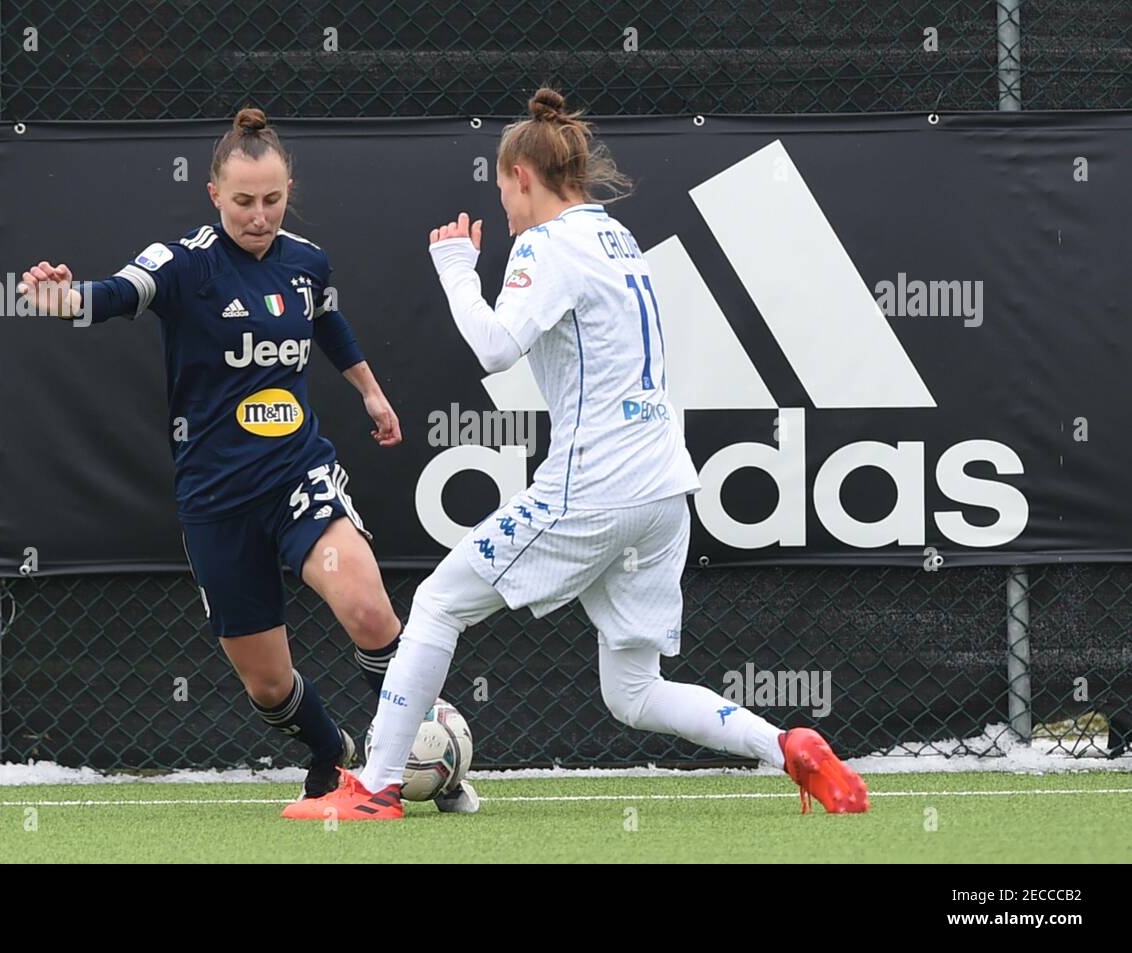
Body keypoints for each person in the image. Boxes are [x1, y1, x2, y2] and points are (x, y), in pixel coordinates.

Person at [284, 89, 870, 820]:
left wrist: (456, 268)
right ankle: (787, 745)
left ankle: (373, 788)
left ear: (523, 175)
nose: (503, 208)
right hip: (663, 493)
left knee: (436, 603)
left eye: (502, 189)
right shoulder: (616, 237)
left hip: (595, 487)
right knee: (635, 692)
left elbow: (497, 347)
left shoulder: (547, 243)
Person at [19, 108, 479, 809]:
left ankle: (414, 763)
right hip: (216, 497)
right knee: (268, 686)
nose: (259, 215)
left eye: (272, 199)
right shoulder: (182, 263)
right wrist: (63, 298)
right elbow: (115, 294)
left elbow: (328, 322)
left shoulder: (306, 260)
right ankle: (332, 752)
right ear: (214, 195)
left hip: (298, 475)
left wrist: (372, 393)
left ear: (289, 188)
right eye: (243, 202)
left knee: (367, 607)